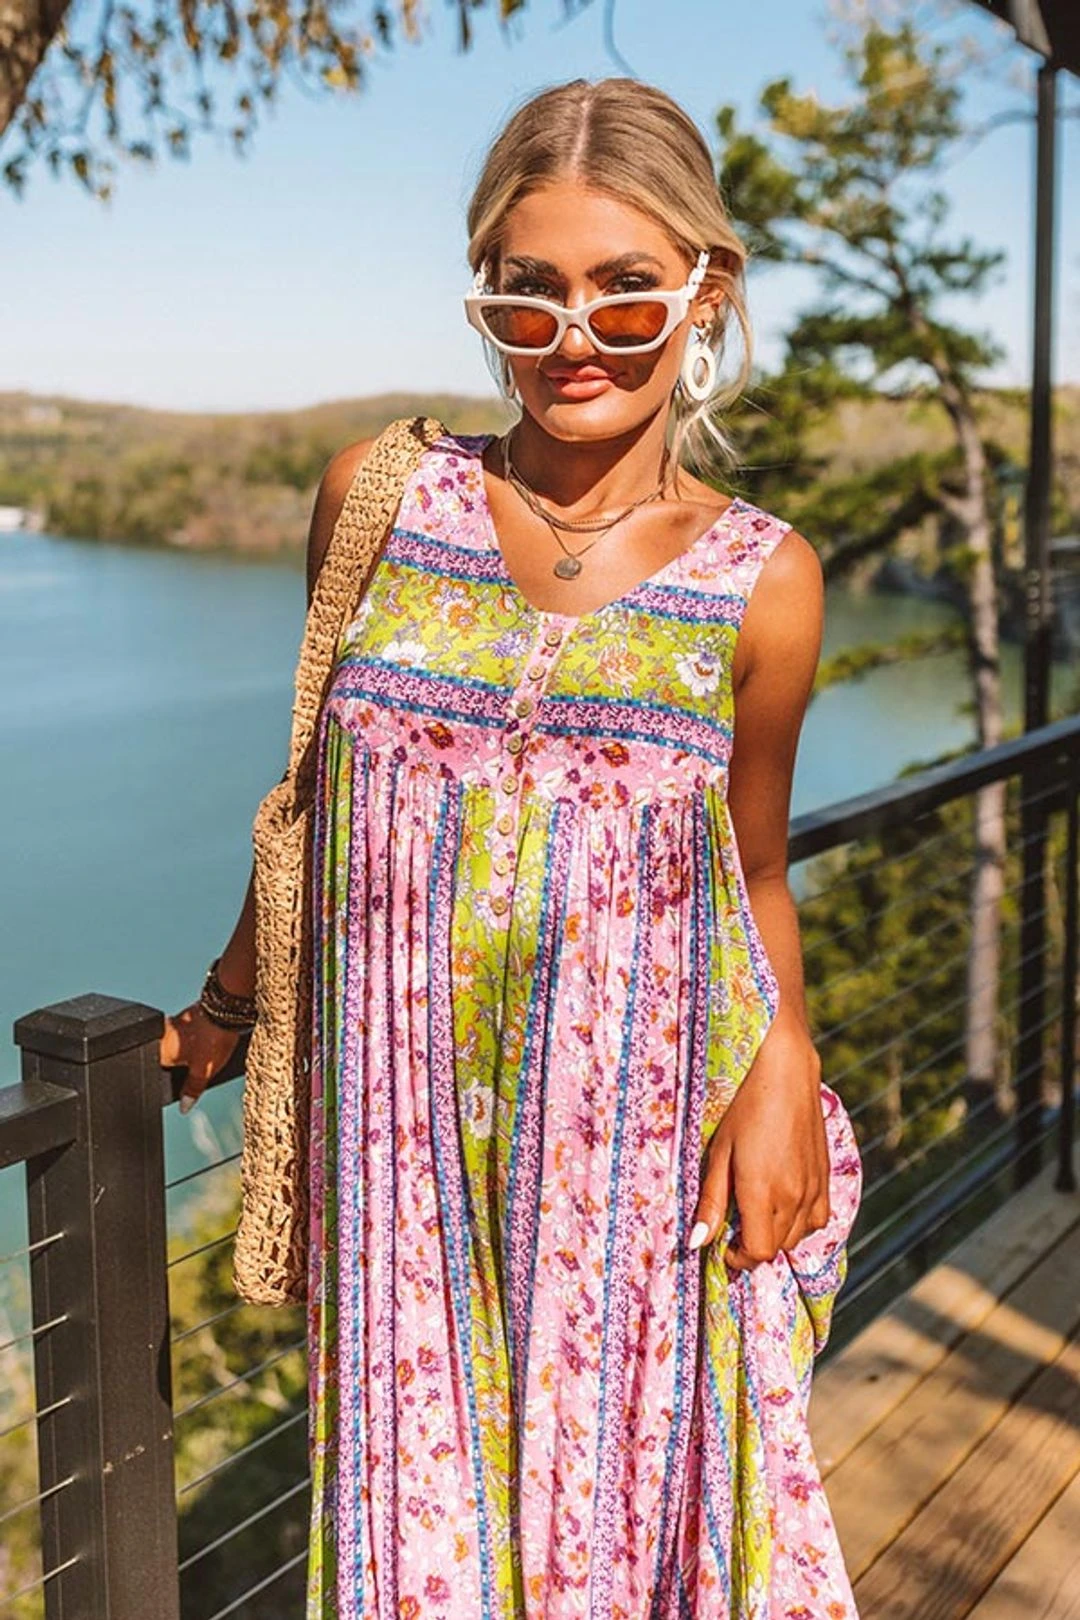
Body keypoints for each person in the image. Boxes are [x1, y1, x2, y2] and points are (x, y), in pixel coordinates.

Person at [162, 75, 862, 1620]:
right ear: (484, 295)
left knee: (616, 1546)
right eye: (527, 291)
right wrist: (224, 1006)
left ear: (706, 289)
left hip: (635, 1160)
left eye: (626, 290)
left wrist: (785, 1066)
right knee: (416, 1550)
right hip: (398, 1143)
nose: (572, 337)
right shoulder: (379, 500)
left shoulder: (765, 578)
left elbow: (751, 866)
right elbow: (311, 802)